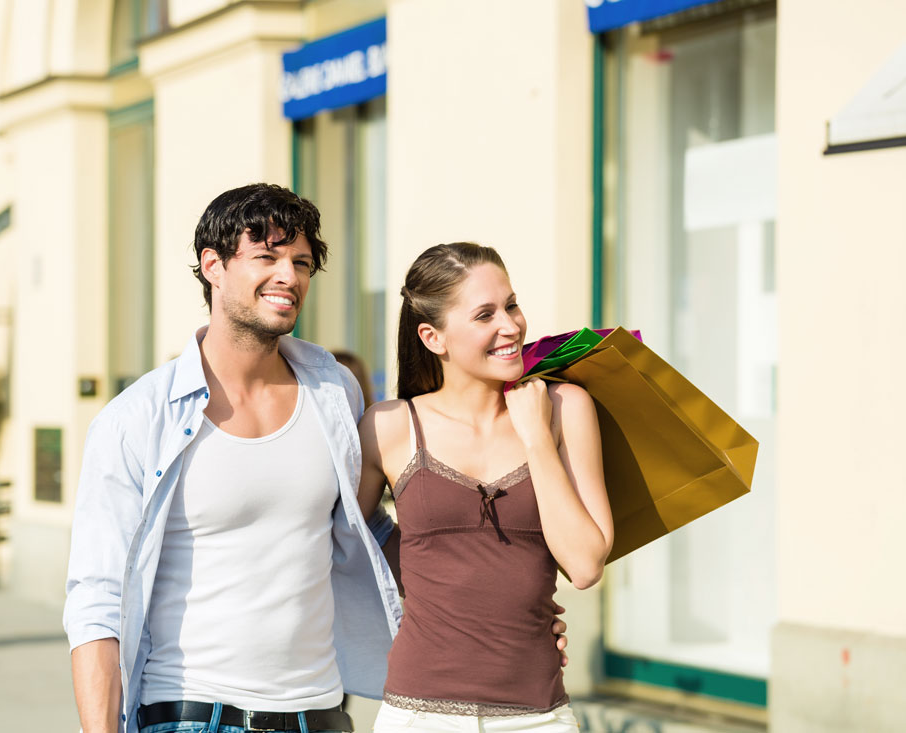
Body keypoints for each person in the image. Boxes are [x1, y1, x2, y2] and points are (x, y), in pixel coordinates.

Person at [64, 185, 568, 733]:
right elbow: (98, 599)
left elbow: (368, 530)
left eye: (300, 262)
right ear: (212, 265)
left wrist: (503, 607)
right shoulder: (137, 419)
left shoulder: (332, 389)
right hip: (193, 711)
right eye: (267, 256)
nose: (289, 276)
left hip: (321, 712)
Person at [357, 243, 613, 732]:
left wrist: (537, 437)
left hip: (539, 717)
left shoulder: (566, 408)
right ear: (434, 338)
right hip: (418, 715)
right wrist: (438, 587)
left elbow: (583, 566)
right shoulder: (390, 426)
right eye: (485, 314)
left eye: (512, 305)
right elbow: (347, 539)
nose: (512, 326)